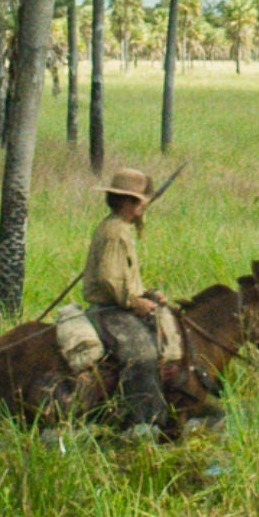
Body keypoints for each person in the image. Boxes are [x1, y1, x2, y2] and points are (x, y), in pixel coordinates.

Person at [81, 167, 168, 435]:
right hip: (110, 311)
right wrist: (133, 302)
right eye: (139, 200)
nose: (144, 205)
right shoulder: (115, 232)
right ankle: (141, 422)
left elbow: (124, 277)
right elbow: (109, 278)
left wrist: (147, 295)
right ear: (125, 202)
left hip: (120, 304)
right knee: (142, 354)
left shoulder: (121, 229)